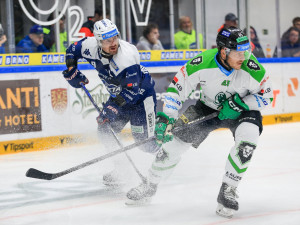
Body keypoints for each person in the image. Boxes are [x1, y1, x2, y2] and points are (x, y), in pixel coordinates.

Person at [126, 27, 273, 219]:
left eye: (246, 52)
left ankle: (228, 189)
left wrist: (241, 103)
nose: (244, 57)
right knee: (173, 146)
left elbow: (267, 96)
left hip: (242, 109)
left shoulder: (252, 68)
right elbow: (177, 89)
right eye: (238, 52)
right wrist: (167, 116)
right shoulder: (202, 63)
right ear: (223, 51)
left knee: (248, 143)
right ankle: (149, 184)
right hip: (208, 108)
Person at [63, 19, 160, 185]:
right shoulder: (89, 46)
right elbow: (71, 50)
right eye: (108, 41)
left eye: (115, 38)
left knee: (145, 144)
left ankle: (167, 155)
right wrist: (72, 70)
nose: (114, 43)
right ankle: (121, 169)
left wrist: (112, 108)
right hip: (119, 96)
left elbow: (132, 92)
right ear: (98, 41)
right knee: (105, 131)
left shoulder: (127, 56)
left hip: (141, 99)